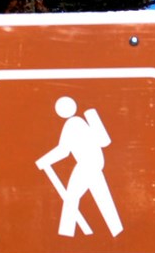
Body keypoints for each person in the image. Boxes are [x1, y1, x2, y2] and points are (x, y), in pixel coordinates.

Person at [35, 95, 124, 238]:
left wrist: (43, 161)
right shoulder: (81, 122)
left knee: (71, 197)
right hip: (96, 163)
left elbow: (64, 150)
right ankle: (117, 231)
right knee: (102, 196)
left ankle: (65, 235)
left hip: (86, 164)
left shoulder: (72, 124)